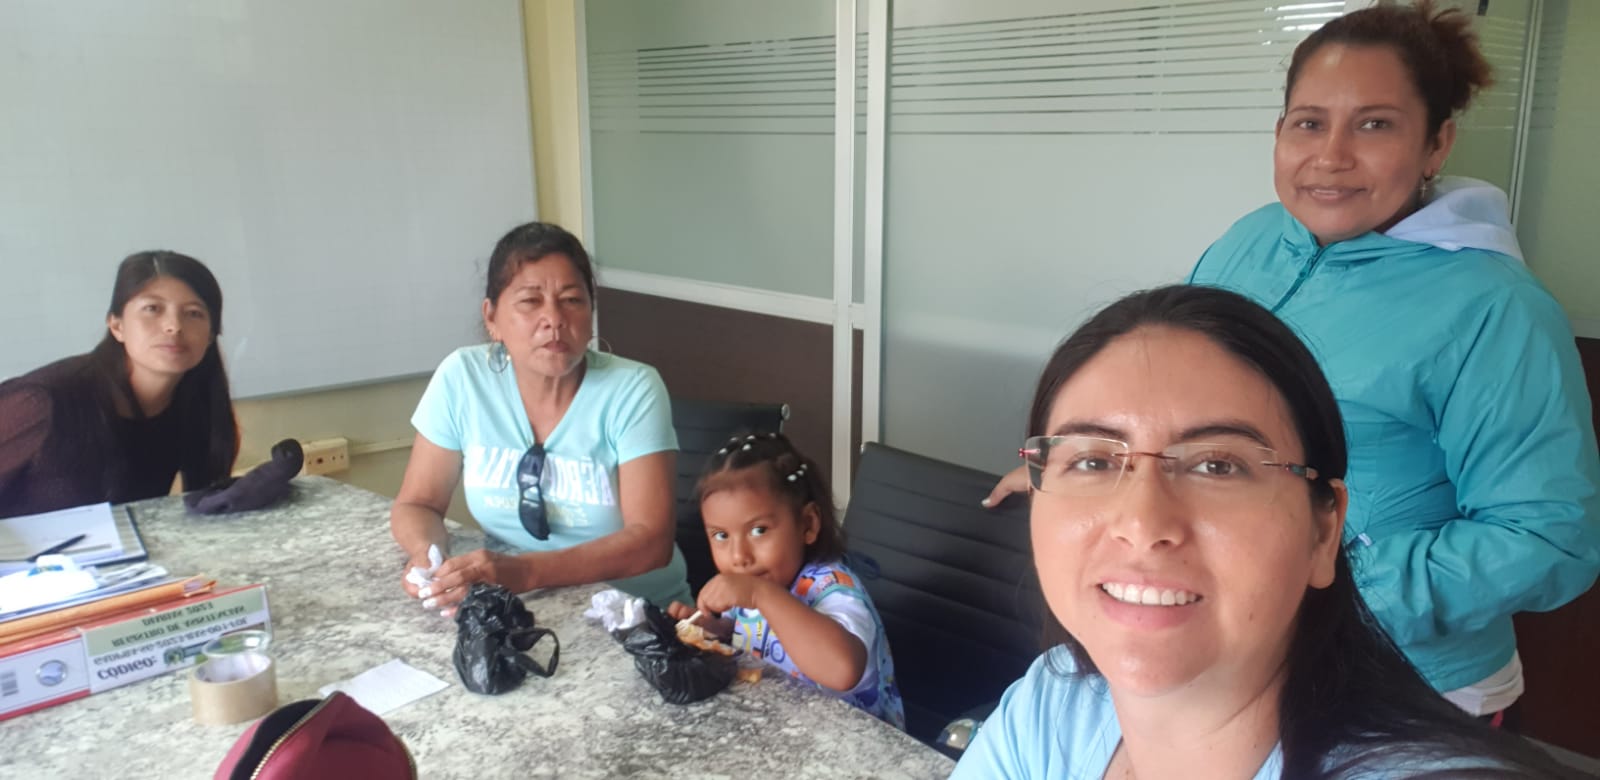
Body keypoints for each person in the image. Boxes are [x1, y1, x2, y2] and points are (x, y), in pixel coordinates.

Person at [983, 1, 1600, 718]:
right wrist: (1090, 467)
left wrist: (1323, 586)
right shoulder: (1251, 241)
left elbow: (1547, 537)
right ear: (1279, 133)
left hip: (1399, 679)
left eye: (1375, 124)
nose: (1331, 156)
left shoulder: (1495, 308)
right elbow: (1177, 396)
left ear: (1437, 145)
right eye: (1309, 123)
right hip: (1236, 647)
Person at [954, 285, 1581, 779]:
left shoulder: (1492, 305)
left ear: (1324, 530)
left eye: (1217, 466)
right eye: (1092, 461)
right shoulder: (1054, 701)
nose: (1142, 525)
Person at [391, 221, 690, 613]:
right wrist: (427, 557)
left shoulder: (633, 389)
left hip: (641, 613)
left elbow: (651, 542)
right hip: (525, 606)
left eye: (572, 300)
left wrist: (524, 572)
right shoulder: (463, 379)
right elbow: (419, 504)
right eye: (531, 301)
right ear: (492, 317)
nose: (554, 318)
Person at [666, 432, 905, 728]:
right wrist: (713, 630)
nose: (739, 556)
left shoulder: (834, 589)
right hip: (780, 729)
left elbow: (842, 671)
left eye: (758, 530)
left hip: (853, 743)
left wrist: (760, 595)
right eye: (721, 535)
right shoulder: (753, 582)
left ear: (808, 524)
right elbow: (748, 632)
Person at [0, 251, 238, 518]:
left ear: (210, 335)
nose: (174, 326)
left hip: (125, 544)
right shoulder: (41, 402)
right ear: (116, 325)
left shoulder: (198, 402)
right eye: (153, 309)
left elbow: (206, 503)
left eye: (194, 313)